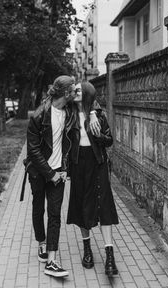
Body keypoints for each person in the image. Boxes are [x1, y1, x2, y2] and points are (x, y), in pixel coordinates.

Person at [26, 75, 100, 278]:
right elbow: (33, 150)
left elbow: (91, 98)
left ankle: (51, 260)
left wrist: (93, 113)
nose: (78, 92)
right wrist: (50, 174)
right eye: (74, 90)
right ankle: (41, 243)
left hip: (59, 171)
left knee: (55, 214)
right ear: (65, 93)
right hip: (39, 171)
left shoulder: (70, 111)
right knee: (38, 208)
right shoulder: (39, 115)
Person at [67, 81, 119, 277]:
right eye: (74, 91)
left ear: (87, 93)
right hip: (78, 164)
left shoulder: (99, 115)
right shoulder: (69, 114)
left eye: (78, 90)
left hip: (97, 163)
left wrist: (97, 135)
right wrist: (88, 112)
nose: (75, 92)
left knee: (103, 206)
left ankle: (109, 256)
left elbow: (109, 141)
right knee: (82, 206)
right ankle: (87, 249)